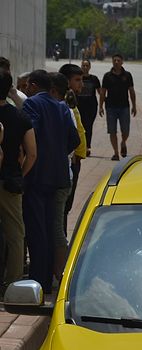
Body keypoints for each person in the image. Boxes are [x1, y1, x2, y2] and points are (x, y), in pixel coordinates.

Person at [22, 70, 79, 293]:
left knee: (37, 231)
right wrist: (57, 152)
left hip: (37, 176)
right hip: (59, 176)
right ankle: (49, 280)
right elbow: (74, 139)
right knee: (53, 227)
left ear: (35, 86)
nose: (26, 89)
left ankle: (39, 282)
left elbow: (30, 135)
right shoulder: (62, 106)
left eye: (27, 85)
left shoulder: (31, 105)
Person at [0, 70, 37, 288]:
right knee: (15, 235)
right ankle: (12, 283)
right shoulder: (20, 117)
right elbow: (32, 153)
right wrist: (20, 173)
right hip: (10, 182)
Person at [59, 64, 87, 237]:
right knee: (62, 206)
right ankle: (61, 243)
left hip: (76, 160)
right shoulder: (62, 104)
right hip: (70, 161)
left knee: (66, 207)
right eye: (77, 80)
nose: (81, 85)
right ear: (66, 81)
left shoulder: (71, 102)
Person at [99, 54, 136, 161]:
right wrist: (100, 106)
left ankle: (123, 142)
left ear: (122, 62)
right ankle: (115, 153)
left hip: (124, 107)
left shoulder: (127, 75)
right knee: (112, 131)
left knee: (126, 130)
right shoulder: (107, 76)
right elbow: (103, 92)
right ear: (112, 62)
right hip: (110, 107)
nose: (116, 62)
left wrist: (134, 105)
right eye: (114, 60)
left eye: (118, 60)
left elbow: (131, 91)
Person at [77, 59, 101, 157]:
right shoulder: (78, 78)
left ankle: (87, 147)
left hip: (91, 107)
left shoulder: (94, 79)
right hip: (78, 106)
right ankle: (79, 146)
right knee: (79, 126)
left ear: (90, 67)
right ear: (81, 66)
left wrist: (103, 105)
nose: (85, 67)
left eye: (87, 66)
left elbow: (100, 92)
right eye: (83, 65)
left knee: (88, 126)